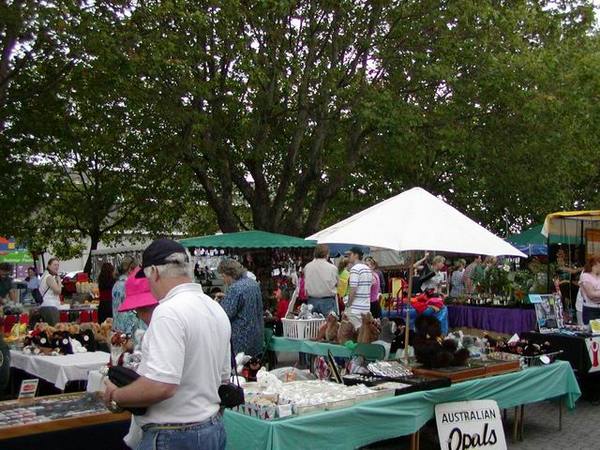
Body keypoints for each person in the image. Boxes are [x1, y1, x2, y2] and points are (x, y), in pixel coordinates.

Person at [104, 238, 231, 450]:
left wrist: (115, 395)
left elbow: (161, 386)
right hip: (210, 426)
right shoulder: (214, 307)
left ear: (153, 272)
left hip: (174, 435)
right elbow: (223, 378)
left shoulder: (168, 311)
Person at [217, 258, 264, 357]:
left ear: (229, 275)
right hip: (256, 339)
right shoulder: (253, 284)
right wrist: (227, 298)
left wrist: (218, 303)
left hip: (240, 340)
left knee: (239, 371)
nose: (224, 280)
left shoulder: (235, 289)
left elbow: (225, 314)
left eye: (223, 276)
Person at [112, 256, 146, 336]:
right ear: (130, 269)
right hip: (128, 330)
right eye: (137, 271)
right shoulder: (128, 285)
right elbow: (131, 311)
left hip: (118, 328)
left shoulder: (116, 284)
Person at [303, 244, 338, 315]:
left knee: (312, 325)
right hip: (327, 301)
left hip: (312, 301)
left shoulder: (307, 267)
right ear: (327, 254)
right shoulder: (332, 268)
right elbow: (337, 284)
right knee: (329, 325)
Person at [346, 246, 373, 329]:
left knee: (353, 336)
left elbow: (353, 289)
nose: (348, 257)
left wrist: (348, 305)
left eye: (350, 254)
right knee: (363, 335)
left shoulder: (354, 269)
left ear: (356, 255)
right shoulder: (368, 269)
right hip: (366, 308)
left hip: (355, 309)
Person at [38, 258, 62, 325]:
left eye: (58, 265)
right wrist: (59, 281)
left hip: (44, 305)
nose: (57, 267)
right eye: (54, 265)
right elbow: (58, 291)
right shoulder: (49, 277)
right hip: (50, 307)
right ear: (48, 266)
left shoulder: (44, 276)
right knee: (53, 329)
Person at [578, 256, 600, 324]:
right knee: (591, 332)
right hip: (590, 309)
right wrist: (595, 294)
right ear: (595, 265)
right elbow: (591, 295)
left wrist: (596, 293)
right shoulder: (585, 276)